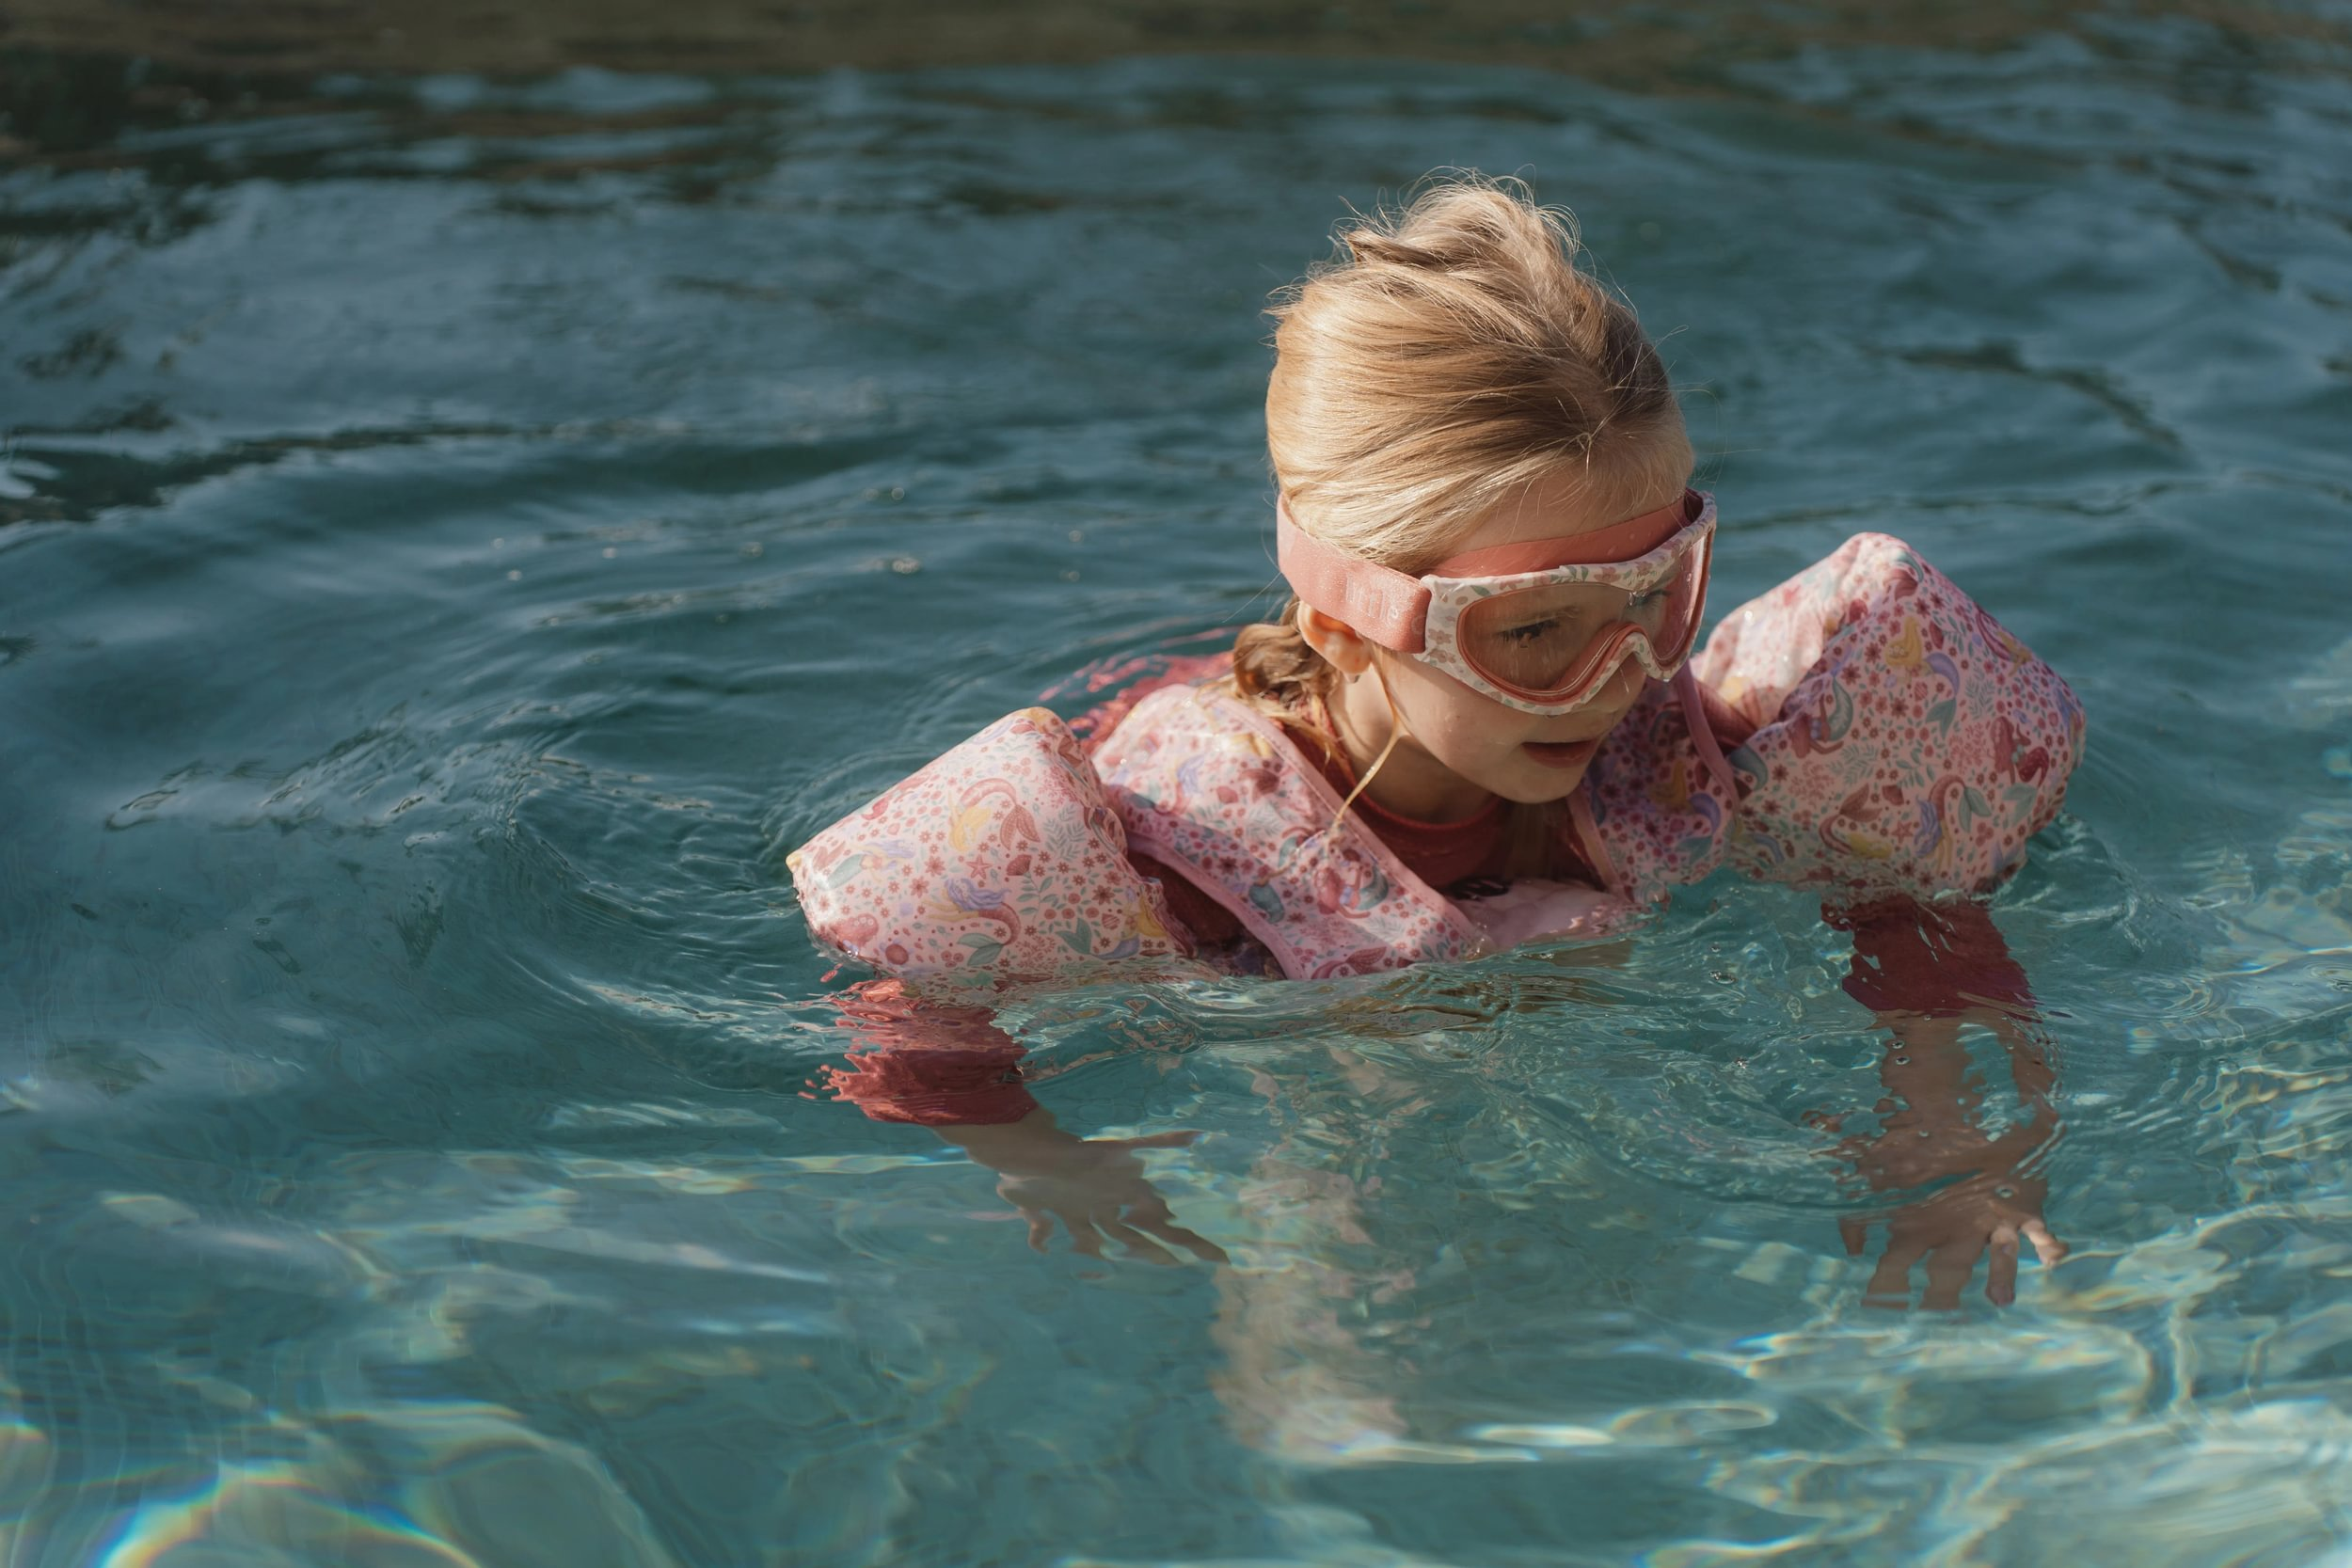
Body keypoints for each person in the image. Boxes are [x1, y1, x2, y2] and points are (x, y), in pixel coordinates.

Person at [788, 175, 2085, 1307]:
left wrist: (1935, 1115)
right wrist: (1046, 1158)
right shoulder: (1177, 851)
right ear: (1344, 625)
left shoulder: (1689, 741)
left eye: (1657, 596)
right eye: (1535, 633)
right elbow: (907, 1026)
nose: (1616, 682)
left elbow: (1904, 895)